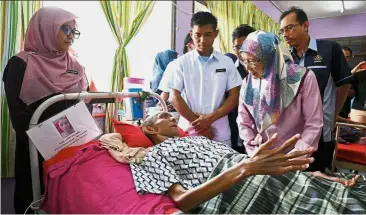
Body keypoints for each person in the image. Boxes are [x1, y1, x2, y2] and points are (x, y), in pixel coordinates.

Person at [129, 111, 364, 213]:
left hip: (251, 168)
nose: (171, 119)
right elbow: (181, 201)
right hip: (234, 185)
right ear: (148, 128)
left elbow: (245, 162)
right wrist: (246, 168)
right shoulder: (150, 156)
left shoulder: (195, 140)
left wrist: (312, 175)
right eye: (164, 117)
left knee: (334, 190)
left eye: (171, 116)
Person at [2, 7, 88, 213]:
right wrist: (53, 139)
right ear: (45, 29)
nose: (71, 36)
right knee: (32, 196)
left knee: (67, 199)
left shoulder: (75, 64)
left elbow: (84, 104)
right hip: (35, 147)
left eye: (73, 31)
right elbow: (20, 117)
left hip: (71, 146)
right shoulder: (20, 64)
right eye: (65, 29)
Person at [280, 7, 352, 172]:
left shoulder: (329, 49)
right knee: (295, 176)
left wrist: (333, 114)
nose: (285, 34)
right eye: (282, 30)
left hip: (321, 129)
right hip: (293, 133)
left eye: (289, 28)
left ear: (305, 25)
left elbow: (344, 83)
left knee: (318, 174)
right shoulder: (285, 58)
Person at [236, 31, 323, 157]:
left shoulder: (302, 78)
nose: (248, 68)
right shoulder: (248, 83)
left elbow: (314, 124)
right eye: (244, 61)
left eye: (253, 60)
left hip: (294, 154)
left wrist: (291, 157)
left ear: (270, 56)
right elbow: (244, 122)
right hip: (261, 155)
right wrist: (255, 151)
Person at [165, 11, 242, 146]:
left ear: (216, 34)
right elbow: (174, 97)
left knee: (224, 166)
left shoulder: (226, 62)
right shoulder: (181, 63)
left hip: (220, 132)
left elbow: (234, 97)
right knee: (189, 166)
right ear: (191, 34)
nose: (202, 40)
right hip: (189, 130)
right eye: (197, 35)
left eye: (208, 35)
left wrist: (209, 119)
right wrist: (200, 126)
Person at [226, 24, 256, 152]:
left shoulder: (266, 71)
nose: (242, 50)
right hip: (235, 131)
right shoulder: (228, 71)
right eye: (238, 47)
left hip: (261, 132)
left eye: (245, 45)